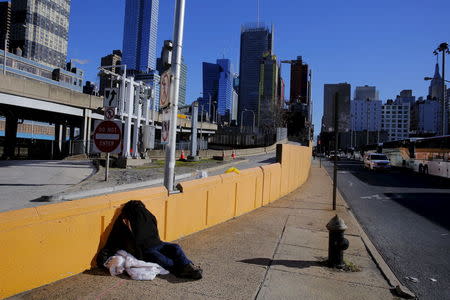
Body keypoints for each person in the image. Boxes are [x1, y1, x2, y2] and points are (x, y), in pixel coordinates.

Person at [97, 200, 202, 280]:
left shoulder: (145, 217)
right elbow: (112, 242)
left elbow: (154, 236)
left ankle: (187, 266)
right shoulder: (123, 223)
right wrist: (103, 259)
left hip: (155, 243)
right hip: (144, 250)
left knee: (175, 247)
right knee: (162, 258)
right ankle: (183, 270)